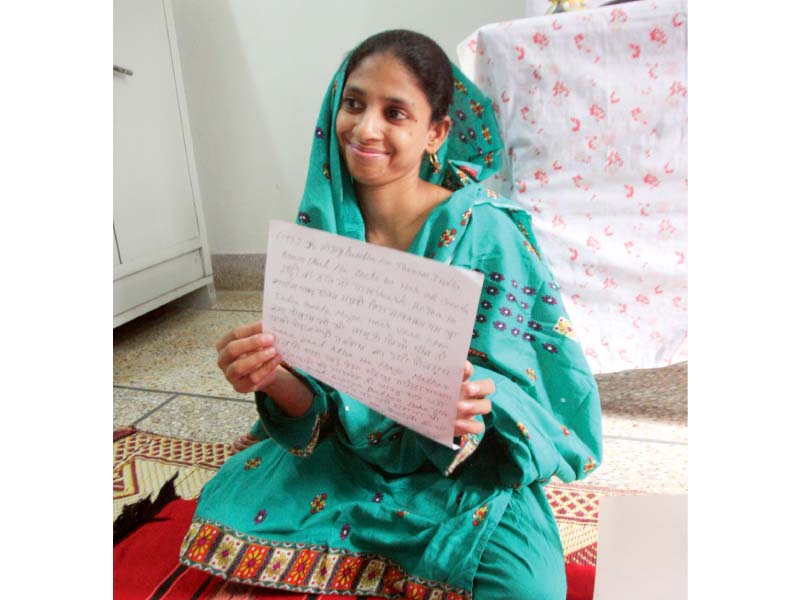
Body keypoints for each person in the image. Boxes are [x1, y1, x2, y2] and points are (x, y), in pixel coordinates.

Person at [179, 30, 602, 599]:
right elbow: (322, 412)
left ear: (436, 133)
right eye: (354, 104)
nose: (365, 128)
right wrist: (271, 375)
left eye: (395, 112)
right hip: (345, 459)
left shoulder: (486, 234)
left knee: (527, 589)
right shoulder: (322, 234)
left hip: (456, 475)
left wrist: (475, 403)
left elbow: (547, 389)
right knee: (222, 510)